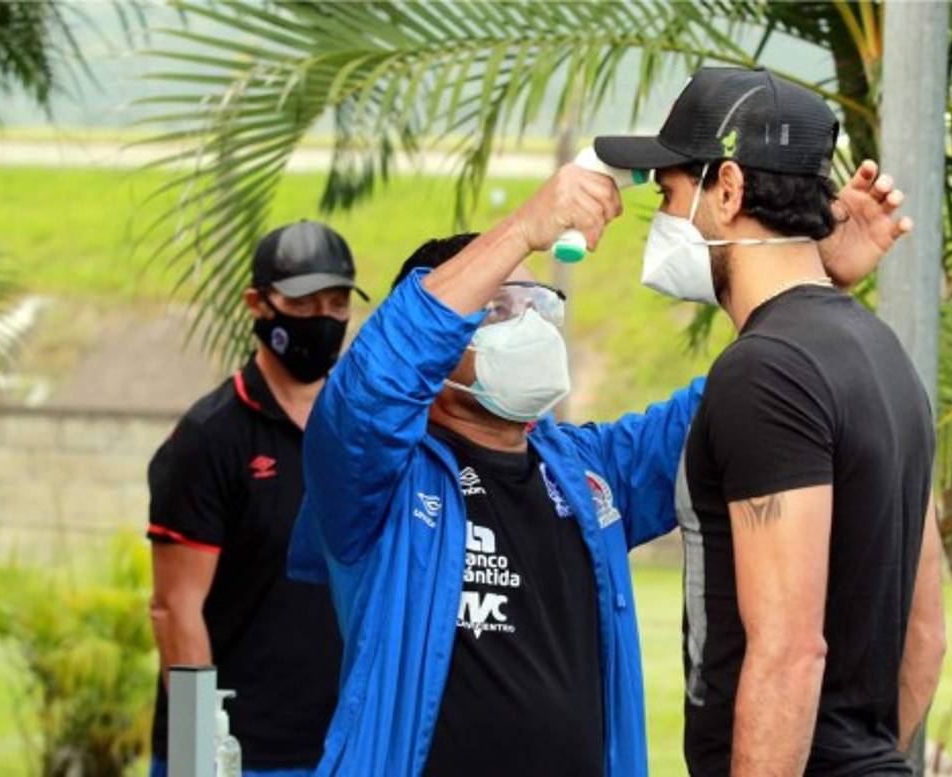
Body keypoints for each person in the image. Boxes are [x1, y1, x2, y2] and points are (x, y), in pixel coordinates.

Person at [286, 103, 911, 775]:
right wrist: (524, 229)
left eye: (537, 305)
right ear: (438, 342)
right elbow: (373, 383)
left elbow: (749, 395)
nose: (526, 326)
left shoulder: (586, 475)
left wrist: (811, 272)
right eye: (500, 307)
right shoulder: (375, 484)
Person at [594, 67, 946, 775]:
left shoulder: (765, 373)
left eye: (668, 195)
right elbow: (925, 634)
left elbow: (788, 650)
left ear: (727, 190)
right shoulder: (881, 354)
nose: (663, 222)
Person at [146, 220, 367, 776]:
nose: (323, 318)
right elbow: (175, 607)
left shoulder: (364, 430)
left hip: (344, 748)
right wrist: (201, 756)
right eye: (303, 302)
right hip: (239, 754)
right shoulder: (210, 438)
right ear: (257, 303)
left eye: (337, 303)